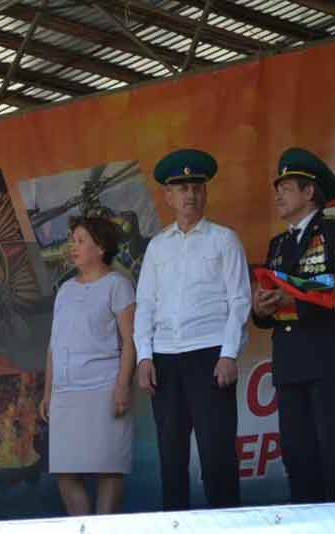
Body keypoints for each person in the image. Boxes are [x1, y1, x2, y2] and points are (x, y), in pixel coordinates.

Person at [134, 149, 251, 510]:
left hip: (210, 354)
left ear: (206, 192)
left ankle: (227, 524)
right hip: (166, 359)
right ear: (167, 196)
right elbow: (146, 305)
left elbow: (240, 301)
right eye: (181, 187)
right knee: (171, 456)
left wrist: (229, 354)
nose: (190, 194)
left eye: (196, 186)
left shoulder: (224, 239)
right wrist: (144, 357)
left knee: (217, 454)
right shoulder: (156, 246)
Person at [252, 147, 335, 503]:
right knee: (300, 461)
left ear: (309, 192)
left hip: (331, 364)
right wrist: (261, 307)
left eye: (286, 187)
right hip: (291, 366)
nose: (277, 194)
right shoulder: (277, 244)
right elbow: (269, 308)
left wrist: (293, 298)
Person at [38, 216, 136, 515]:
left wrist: (122, 386)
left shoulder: (118, 284)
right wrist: (47, 393)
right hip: (65, 392)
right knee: (66, 473)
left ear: (102, 247)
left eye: (81, 240)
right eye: (73, 240)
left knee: (108, 469)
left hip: (103, 388)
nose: (73, 246)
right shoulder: (65, 289)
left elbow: (131, 341)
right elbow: (54, 344)